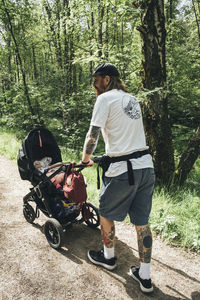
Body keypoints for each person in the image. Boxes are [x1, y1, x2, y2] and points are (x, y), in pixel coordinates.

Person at [80, 62, 155, 293]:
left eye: (97, 78)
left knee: (105, 212)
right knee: (142, 222)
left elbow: (93, 134)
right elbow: (127, 137)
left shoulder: (105, 99)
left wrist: (85, 160)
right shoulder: (131, 99)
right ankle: (145, 276)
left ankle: (109, 257)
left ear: (108, 78)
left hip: (123, 171)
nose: (94, 83)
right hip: (146, 168)